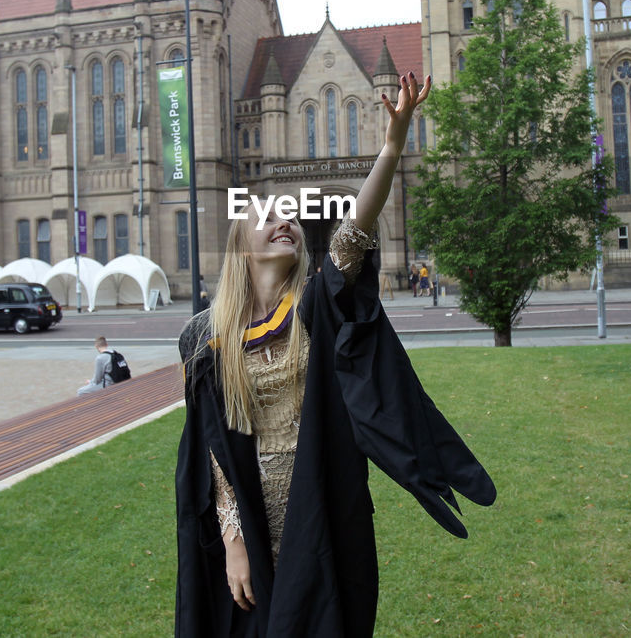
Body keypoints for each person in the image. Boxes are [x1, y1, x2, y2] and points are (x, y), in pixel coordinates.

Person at [175, 72, 495, 637]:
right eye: (268, 218)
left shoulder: (314, 309)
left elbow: (354, 231)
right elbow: (213, 451)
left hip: (320, 508)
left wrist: (392, 147)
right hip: (250, 513)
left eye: (290, 218)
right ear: (239, 246)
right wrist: (233, 541)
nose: (286, 223)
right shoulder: (205, 340)